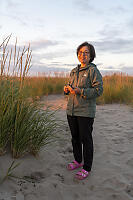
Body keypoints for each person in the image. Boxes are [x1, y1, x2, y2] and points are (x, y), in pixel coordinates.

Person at [64, 42, 103, 180]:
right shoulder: (74, 71)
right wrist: (67, 89)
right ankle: (77, 161)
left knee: (86, 139)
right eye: (80, 52)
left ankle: (87, 167)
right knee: (75, 138)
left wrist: (81, 91)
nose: (83, 55)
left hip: (85, 112)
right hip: (71, 110)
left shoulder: (93, 71)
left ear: (91, 55)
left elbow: (98, 90)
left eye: (86, 52)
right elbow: (71, 88)